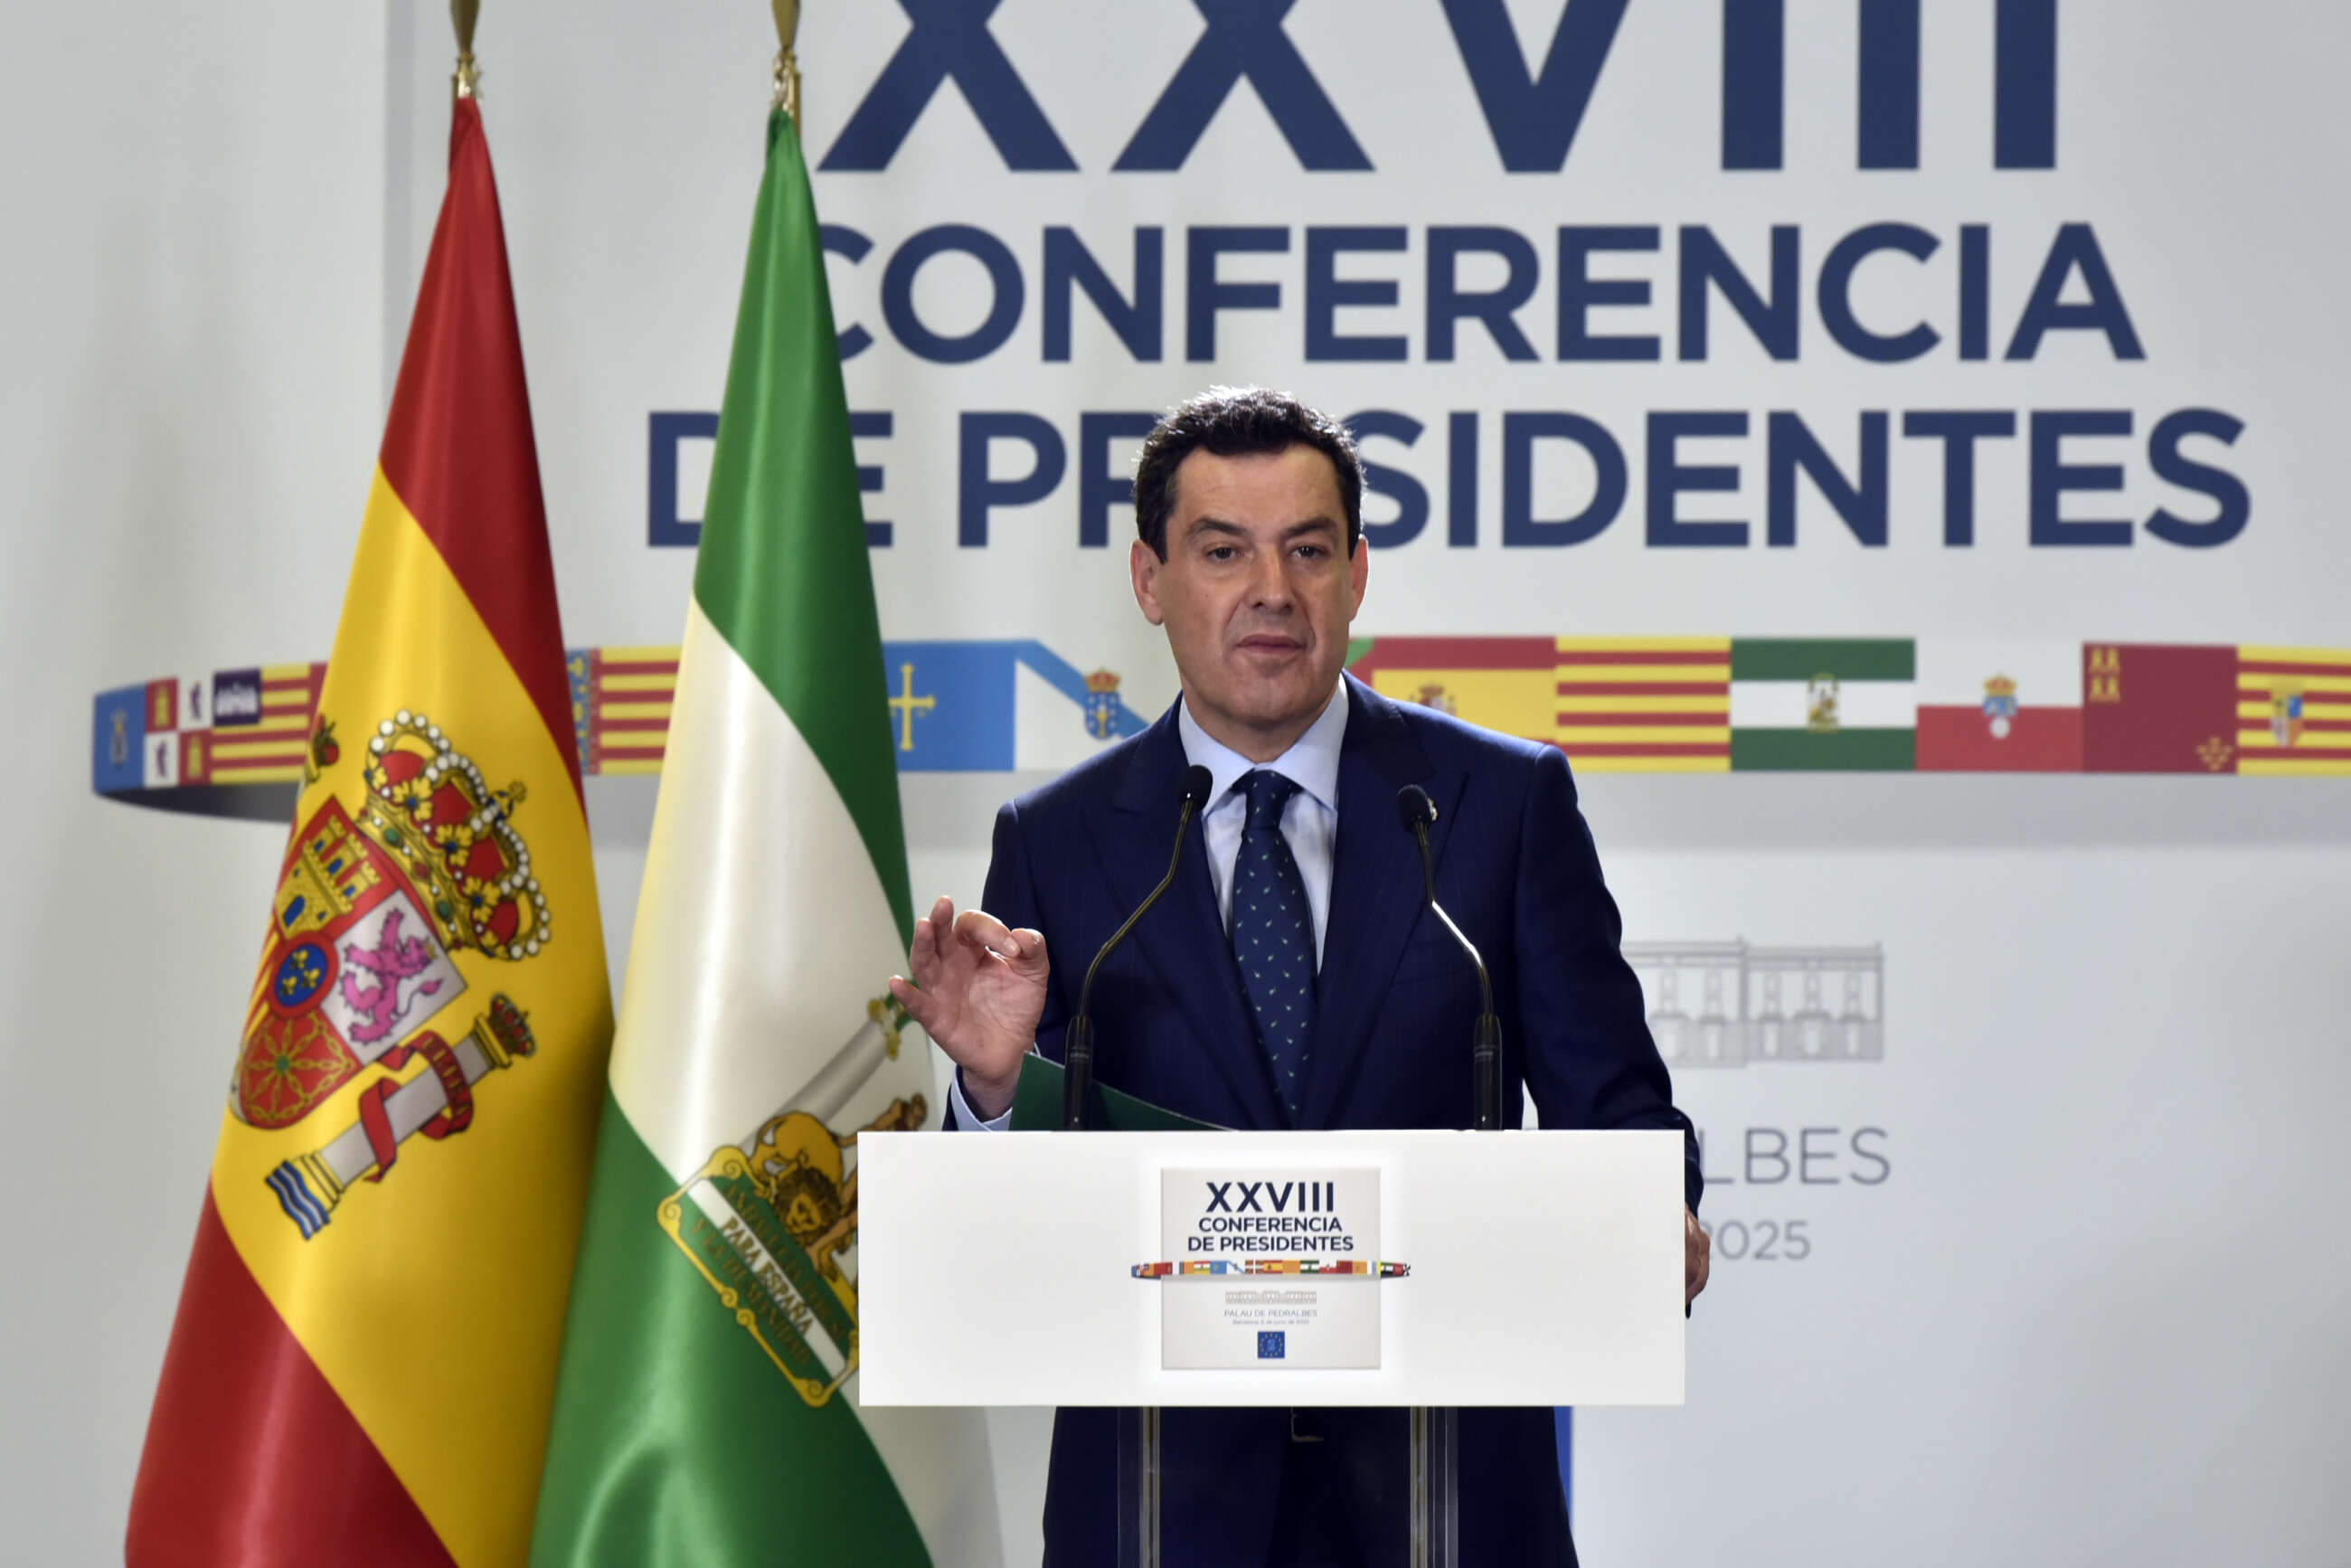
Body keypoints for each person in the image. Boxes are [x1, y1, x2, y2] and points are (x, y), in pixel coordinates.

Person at [888, 386, 1707, 1568]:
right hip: (1163, 1507)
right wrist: (997, 1090)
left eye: (1308, 551)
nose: (1271, 589)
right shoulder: (1059, 842)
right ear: (1150, 579)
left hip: (1447, 1494)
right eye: (1223, 551)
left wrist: (1652, 1207)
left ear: (1356, 575)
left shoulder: (1496, 805)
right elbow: (1018, 1230)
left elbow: (1622, 1110)